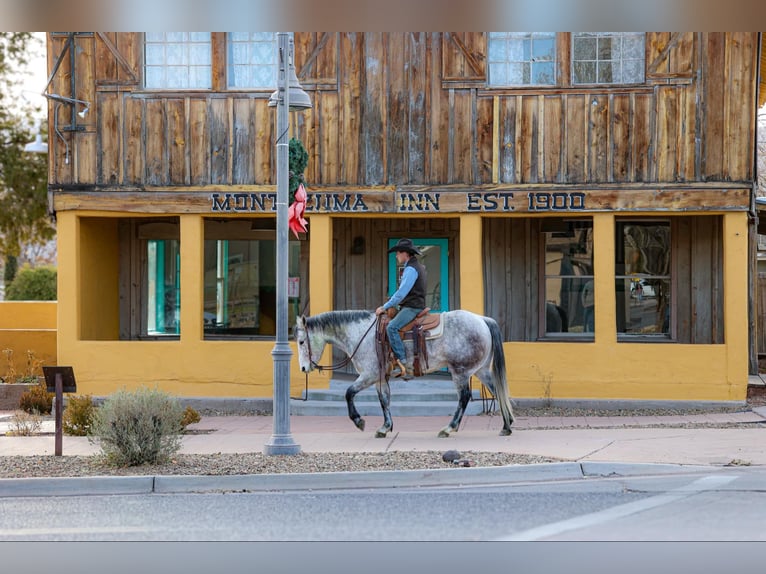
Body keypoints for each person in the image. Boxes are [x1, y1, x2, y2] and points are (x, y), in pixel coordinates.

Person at [375, 238, 427, 379]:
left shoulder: (410, 269)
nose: (397, 256)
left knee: (391, 327)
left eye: (398, 253)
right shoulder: (418, 267)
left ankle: (405, 364)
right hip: (413, 304)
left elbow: (401, 293)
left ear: (406, 254)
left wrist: (384, 307)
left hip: (412, 307)